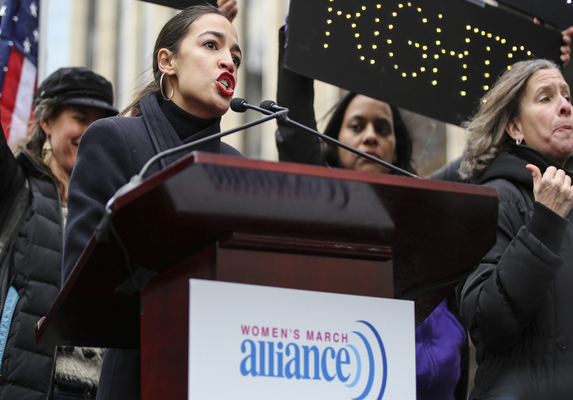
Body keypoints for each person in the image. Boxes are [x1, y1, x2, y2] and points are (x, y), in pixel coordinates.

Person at [275, 24, 468, 400]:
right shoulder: (320, 199)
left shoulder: (431, 211)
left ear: (397, 146)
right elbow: (296, 133)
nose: (370, 137)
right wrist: (295, 36)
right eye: (356, 126)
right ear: (334, 141)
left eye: (383, 128)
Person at [61, 4, 242, 400]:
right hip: (142, 376)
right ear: (167, 61)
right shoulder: (114, 139)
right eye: (211, 45)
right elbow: (81, 280)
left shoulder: (239, 166)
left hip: (228, 372)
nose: (228, 60)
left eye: (235, 56)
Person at [455, 58, 573, 399]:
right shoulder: (492, 197)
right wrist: (544, 225)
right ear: (515, 128)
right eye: (546, 97)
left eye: (567, 96)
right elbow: (486, 321)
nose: (565, 106)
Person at [0, 67, 118, 400]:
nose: (89, 132)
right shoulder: (16, 187)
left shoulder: (120, 202)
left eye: (99, 124)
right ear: (47, 123)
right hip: (32, 388)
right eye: (80, 118)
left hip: (102, 390)